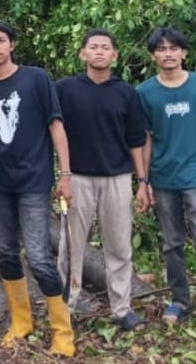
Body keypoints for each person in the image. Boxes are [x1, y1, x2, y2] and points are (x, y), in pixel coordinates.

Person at [0, 19, 75, 356]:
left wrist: (66, 174)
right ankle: (22, 321)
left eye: (1, 40)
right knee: (6, 252)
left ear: (12, 45)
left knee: (41, 256)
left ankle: (62, 332)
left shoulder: (36, 79)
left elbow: (56, 126)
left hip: (33, 181)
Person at [137, 27, 196, 339]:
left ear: (184, 53)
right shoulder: (146, 92)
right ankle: (179, 301)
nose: (168, 54)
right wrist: (144, 180)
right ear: (153, 55)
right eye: (161, 49)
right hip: (164, 179)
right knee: (172, 245)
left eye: (173, 48)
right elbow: (145, 139)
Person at [55, 29, 149, 331]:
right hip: (76, 178)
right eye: (93, 47)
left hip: (117, 178)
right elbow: (53, 132)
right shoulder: (64, 90)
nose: (99, 52)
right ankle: (65, 308)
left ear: (114, 56)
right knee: (71, 247)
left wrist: (142, 182)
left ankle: (121, 309)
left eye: (105, 48)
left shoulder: (126, 93)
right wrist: (62, 175)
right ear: (83, 54)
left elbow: (136, 140)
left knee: (119, 245)